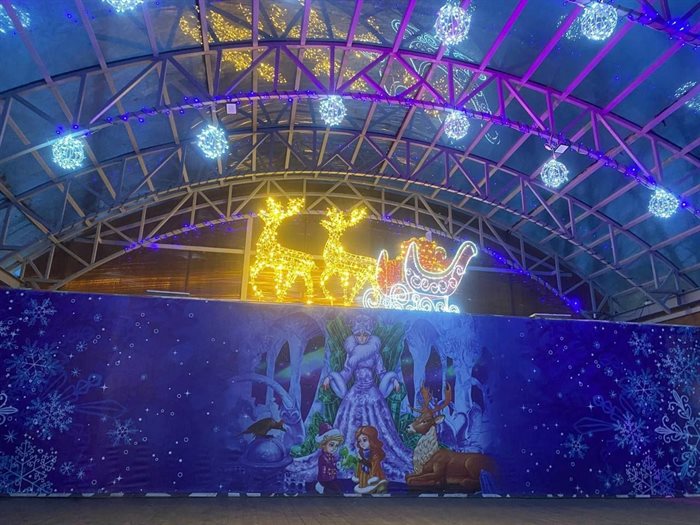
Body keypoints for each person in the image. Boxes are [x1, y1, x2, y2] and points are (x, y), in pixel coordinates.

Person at [322, 315, 412, 480]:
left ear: (369, 336)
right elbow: (346, 373)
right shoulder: (351, 353)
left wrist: (393, 379)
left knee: (378, 425)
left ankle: (372, 461)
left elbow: (381, 372)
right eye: (358, 335)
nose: (362, 338)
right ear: (354, 336)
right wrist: (331, 377)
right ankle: (352, 459)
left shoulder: (375, 354)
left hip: (372, 394)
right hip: (355, 394)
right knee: (348, 424)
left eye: (365, 335)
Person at [353, 426, 388, 494]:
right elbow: (359, 467)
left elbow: (375, 467)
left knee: (376, 487)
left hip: (373, 474)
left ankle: (379, 488)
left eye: (364, 440)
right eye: (359, 441)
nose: (362, 443)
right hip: (363, 476)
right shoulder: (361, 454)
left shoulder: (375, 454)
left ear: (371, 440)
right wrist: (357, 475)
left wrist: (373, 477)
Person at [315, 423, 344, 495]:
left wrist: (337, 466)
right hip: (324, 480)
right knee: (330, 492)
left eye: (336, 446)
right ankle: (320, 487)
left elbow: (333, 466)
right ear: (324, 445)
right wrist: (334, 465)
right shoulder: (322, 457)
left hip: (332, 479)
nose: (334, 448)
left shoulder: (332, 457)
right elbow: (328, 464)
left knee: (338, 491)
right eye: (331, 445)